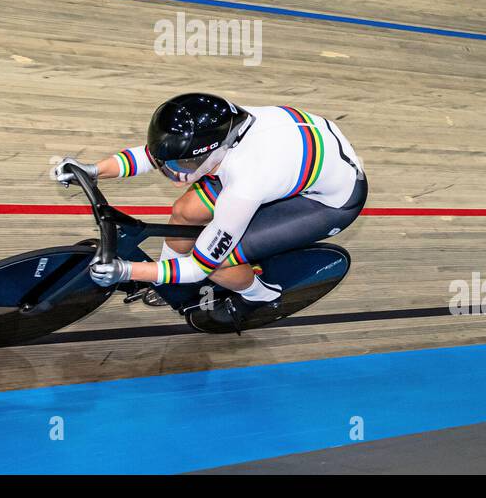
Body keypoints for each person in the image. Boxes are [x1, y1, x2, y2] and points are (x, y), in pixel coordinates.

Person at [51, 92, 367, 332]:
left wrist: (127, 271)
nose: (175, 176)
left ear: (215, 151)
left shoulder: (246, 184)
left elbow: (199, 268)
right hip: (294, 161)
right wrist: (93, 169)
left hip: (327, 203)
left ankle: (261, 295)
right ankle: (168, 282)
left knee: (220, 264)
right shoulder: (217, 129)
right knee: (186, 209)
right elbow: (155, 155)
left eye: (184, 166)